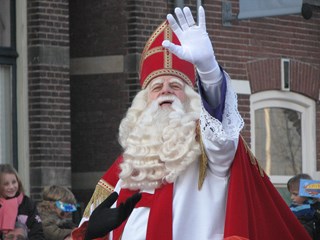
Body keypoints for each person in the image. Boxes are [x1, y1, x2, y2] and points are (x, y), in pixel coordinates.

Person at [72, 6, 311, 240]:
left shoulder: (209, 150)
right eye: (157, 87)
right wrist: (89, 234)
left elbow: (220, 131)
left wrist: (208, 71)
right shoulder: (123, 169)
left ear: (191, 99)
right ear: (143, 103)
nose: (166, 90)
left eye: (176, 86)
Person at [0, 164, 44, 239]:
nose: (11, 187)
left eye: (14, 182)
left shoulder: (27, 203)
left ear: (18, 182)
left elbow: (37, 231)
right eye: (6, 184)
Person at [287, 173, 320, 239]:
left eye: (295, 194)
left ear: (306, 193)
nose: (292, 197)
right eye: (291, 194)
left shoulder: (316, 207)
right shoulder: (293, 209)